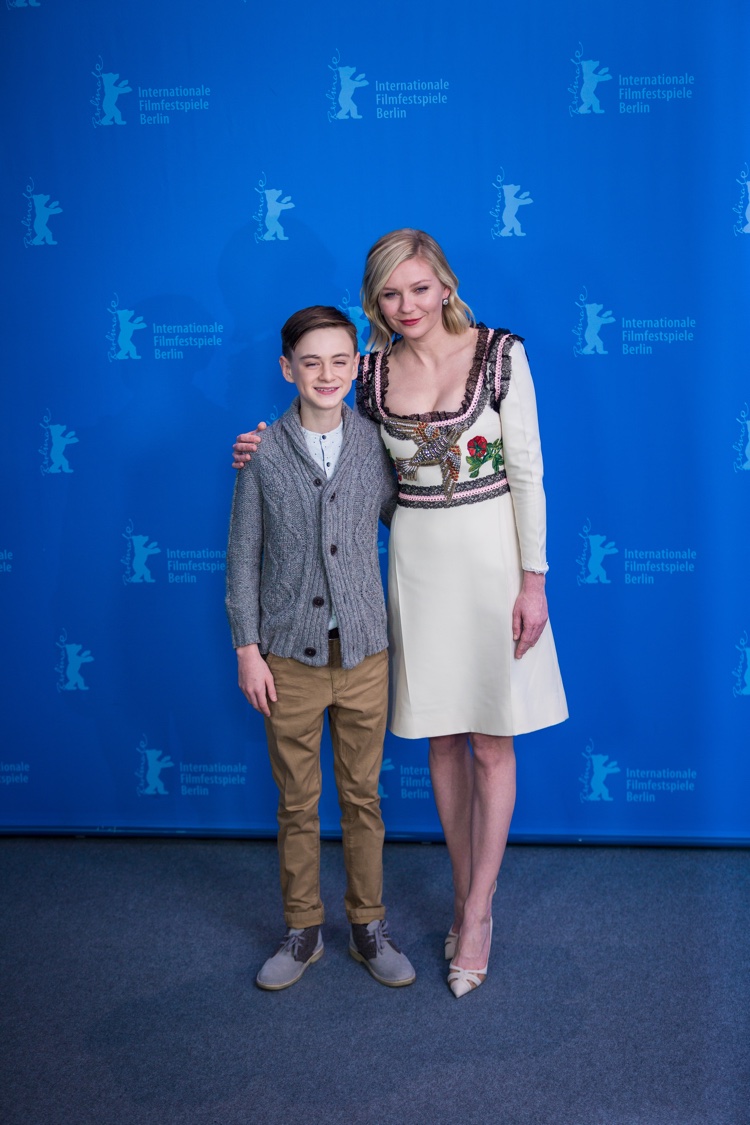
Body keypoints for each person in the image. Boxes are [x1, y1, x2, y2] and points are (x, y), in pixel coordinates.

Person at [233, 232, 567, 998]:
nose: (406, 305)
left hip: (492, 560)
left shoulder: (502, 354)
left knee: (492, 741)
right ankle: (458, 893)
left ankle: (477, 912)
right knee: (444, 741)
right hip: (415, 565)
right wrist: (262, 446)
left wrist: (533, 581)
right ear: (374, 303)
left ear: (446, 284)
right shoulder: (370, 371)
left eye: (418, 288)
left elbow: (529, 473)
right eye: (389, 294)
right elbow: (328, 447)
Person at [226, 305, 415, 991]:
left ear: (359, 366)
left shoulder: (377, 443)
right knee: (296, 802)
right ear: (288, 368)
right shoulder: (263, 451)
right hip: (288, 662)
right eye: (311, 362)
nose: (327, 373)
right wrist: (248, 647)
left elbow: (416, 515)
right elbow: (241, 559)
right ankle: (302, 929)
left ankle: (368, 925)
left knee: (363, 797)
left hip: (365, 655)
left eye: (341, 361)